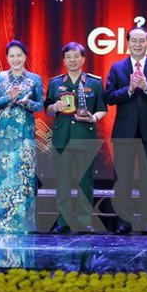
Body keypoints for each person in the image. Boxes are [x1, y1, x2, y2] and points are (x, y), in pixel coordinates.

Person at [105, 26, 147, 234]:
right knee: (123, 178)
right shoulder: (117, 68)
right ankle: (124, 220)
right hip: (124, 132)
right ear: (128, 43)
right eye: (134, 40)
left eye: (142, 41)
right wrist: (130, 89)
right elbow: (109, 97)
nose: (138, 44)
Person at [45, 42, 107, 233]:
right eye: (68, 57)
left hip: (84, 137)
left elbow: (102, 109)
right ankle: (63, 220)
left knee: (84, 181)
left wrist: (92, 118)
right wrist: (54, 107)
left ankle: (84, 220)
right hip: (62, 137)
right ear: (64, 60)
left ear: (83, 59)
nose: (72, 60)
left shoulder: (94, 82)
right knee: (62, 181)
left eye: (76, 56)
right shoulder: (56, 83)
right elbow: (47, 109)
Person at [0, 40, 43, 233]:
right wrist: (8, 98)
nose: (16, 59)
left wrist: (27, 103)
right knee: (3, 176)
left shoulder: (34, 79)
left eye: (19, 55)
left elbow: (40, 105)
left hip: (25, 134)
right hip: (4, 134)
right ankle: (2, 221)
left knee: (24, 175)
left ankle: (23, 222)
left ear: (25, 57)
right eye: (12, 55)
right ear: (7, 57)